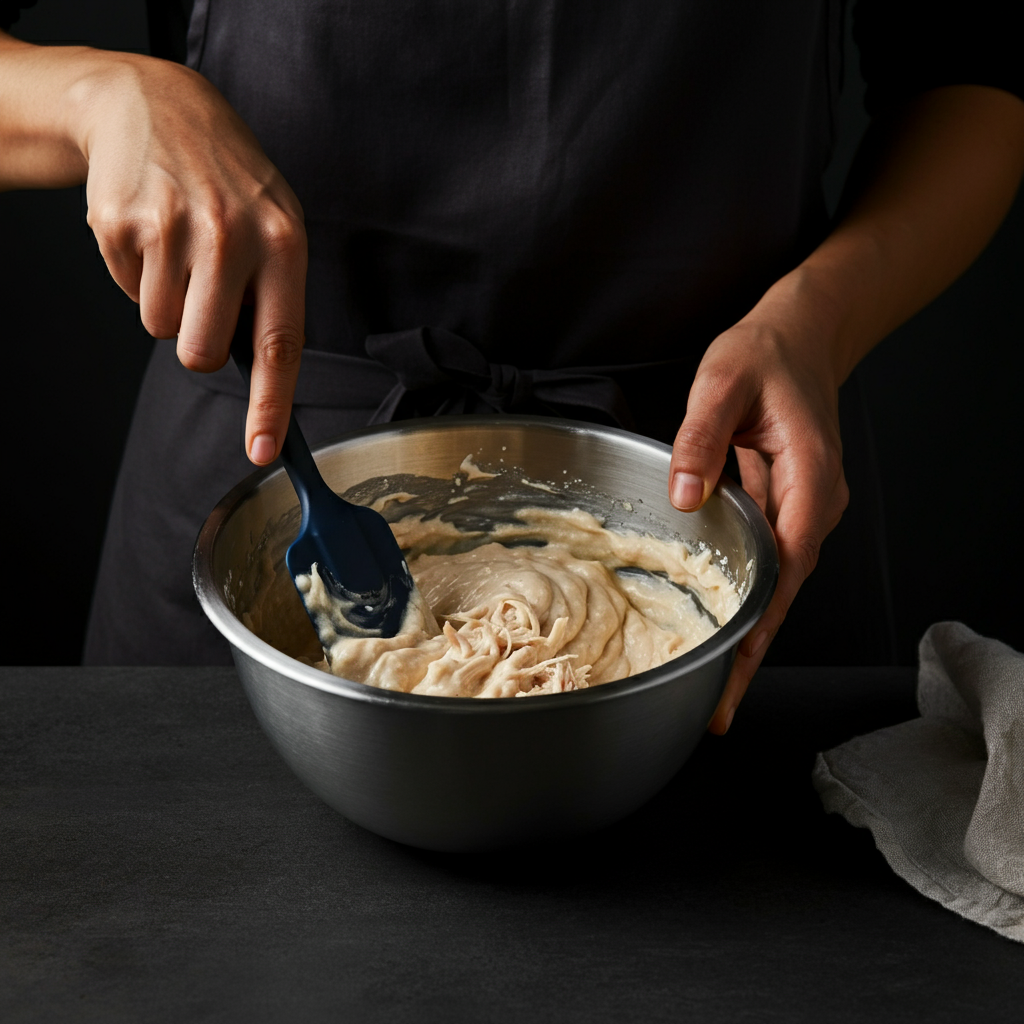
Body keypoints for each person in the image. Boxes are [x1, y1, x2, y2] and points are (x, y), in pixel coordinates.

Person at [2, 0, 1022, 733]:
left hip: (729, 481)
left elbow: (972, 74)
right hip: (258, 481)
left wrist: (823, 319)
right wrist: (98, 97)